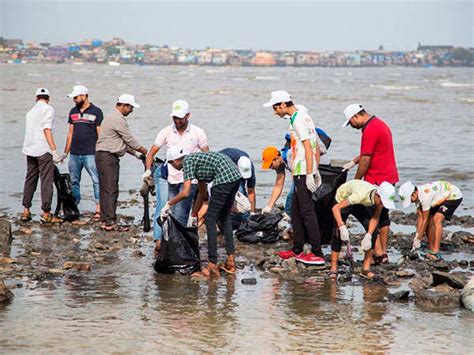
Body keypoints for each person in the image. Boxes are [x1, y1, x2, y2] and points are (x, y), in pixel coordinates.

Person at [263, 90, 324, 265]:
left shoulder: (297, 119)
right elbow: (315, 144)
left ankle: (317, 253)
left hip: (303, 170)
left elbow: (307, 145)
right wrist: (315, 168)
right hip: (302, 170)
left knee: (307, 211)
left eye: (275, 108)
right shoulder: (304, 117)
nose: (275, 112)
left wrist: (312, 172)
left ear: (283, 104)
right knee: (296, 211)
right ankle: (297, 249)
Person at [160, 149, 241, 277]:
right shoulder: (196, 161)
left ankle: (212, 264)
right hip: (235, 176)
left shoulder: (188, 163)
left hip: (224, 178)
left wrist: (168, 204)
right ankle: (230, 261)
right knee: (224, 217)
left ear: (176, 161)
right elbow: (202, 193)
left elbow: (185, 192)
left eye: (171, 164)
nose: (173, 167)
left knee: (210, 219)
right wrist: (194, 214)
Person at [143, 100, 209, 252]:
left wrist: (204, 178)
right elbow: (151, 153)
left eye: (180, 118)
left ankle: (175, 240)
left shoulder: (198, 132)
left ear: (188, 115)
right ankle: (159, 241)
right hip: (167, 174)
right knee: (162, 206)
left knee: (181, 211)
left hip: (189, 176)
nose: (177, 121)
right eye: (174, 118)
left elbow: (206, 154)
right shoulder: (166, 131)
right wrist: (148, 170)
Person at [341, 103, 399, 264]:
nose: (352, 126)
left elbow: (366, 158)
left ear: (355, 117)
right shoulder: (379, 123)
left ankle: (376, 254)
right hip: (389, 176)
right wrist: (352, 162)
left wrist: (357, 181)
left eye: (350, 122)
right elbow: (368, 151)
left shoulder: (370, 130)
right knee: (383, 216)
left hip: (377, 179)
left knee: (371, 216)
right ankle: (384, 253)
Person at [95, 94, 147, 232]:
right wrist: (147, 152)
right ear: (123, 106)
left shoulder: (110, 117)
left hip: (101, 155)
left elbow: (121, 142)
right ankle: (111, 222)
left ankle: (105, 220)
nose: (131, 110)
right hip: (108, 157)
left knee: (104, 189)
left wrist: (137, 154)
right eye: (130, 107)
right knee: (111, 189)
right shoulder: (118, 119)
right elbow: (130, 140)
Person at [330, 180, 396, 280]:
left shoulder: (379, 202)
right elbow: (335, 208)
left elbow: (375, 218)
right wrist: (342, 226)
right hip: (342, 199)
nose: (383, 205)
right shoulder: (359, 195)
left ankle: (365, 269)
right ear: (378, 195)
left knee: (373, 232)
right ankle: (333, 268)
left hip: (360, 204)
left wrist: (368, 235)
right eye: (383, 202)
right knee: (338, 234)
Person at [21, 88, 63, 223]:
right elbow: (47, 130)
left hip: (29, 148)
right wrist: (54, 150)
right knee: (46, 180)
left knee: (30, 179)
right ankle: (46, 213)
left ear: (36, 98)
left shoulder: (30, 112)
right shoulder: (48, 109)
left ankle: (26, 210)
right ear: (48, 98)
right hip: (43, 149)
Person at [63, 85, 103, 220]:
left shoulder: (96, 111)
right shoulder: (72, 111)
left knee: (96, 180)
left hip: (90, 152)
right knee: (74, 181)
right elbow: (70, 133)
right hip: (74, 153)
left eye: (76, 97)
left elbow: (100, 133)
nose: (74, 100)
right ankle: (74, 207)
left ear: (84, 96)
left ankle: (98, 209)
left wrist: (101, 151)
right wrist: (65, 152)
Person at [399, 180, 463, 261]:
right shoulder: (418, 197)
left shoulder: (425, 196)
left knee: (437, 219)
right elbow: (420, 218)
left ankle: (435, 252)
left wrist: (419, 239)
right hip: (439, 198)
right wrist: (417, 235)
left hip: (452, 195)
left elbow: (425, 220)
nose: (411, 202)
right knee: (430, 220)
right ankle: (431, 249)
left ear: (414, 193)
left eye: (410, 200)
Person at [220, 147, 256, 212]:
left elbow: (251, 192)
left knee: (242, 194)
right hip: (225, 164)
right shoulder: (226, 163)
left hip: (238, 163)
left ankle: (245, 213)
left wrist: (252, 212)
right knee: (236, 191)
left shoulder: (249, 166)